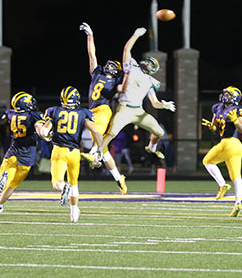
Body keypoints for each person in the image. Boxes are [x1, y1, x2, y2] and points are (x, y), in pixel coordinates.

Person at [100, 27, 176, 169]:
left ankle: (152, 147)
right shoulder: (132, 66)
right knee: (111, 133)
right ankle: (97, 155)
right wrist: (135, 35)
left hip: (139, 112)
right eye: (147, 62)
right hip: (125, 109)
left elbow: (154, 103)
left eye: (150, 65)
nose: (147, 64)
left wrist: (163, 105)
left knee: (159, 132)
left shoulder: (150, 82)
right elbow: (126, 49)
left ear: (153, 70)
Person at [39, 86, 104, 223]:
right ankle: (74, 213)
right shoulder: (82, 113)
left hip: (59, 150)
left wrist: (47, 136)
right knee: (74, 183)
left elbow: (44, 131)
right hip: (74, 152)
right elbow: (96, 132)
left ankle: (63, 187)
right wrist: (99, 149)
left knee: (56, 181)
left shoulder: (54, 111)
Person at [79, 21, 128, 193]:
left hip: (103, 110)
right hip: (91, 111)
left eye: (114, 66)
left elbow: (123, 89)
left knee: (97, 133)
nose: (109, 66)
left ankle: (93, 154)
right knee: (105, 150)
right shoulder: (97, 73)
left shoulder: (116, 81)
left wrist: (129, 73)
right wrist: (90, 35)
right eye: (110, 64)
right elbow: (92, 55)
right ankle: (118, 178)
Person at [0, 92, 46, 217]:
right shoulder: (34, 115)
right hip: (27, 154)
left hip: (14, 149)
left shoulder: (11, 113)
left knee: (7, 171)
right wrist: (45, 135)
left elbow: (5, 116)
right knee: (13, 185)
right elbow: (39, 130)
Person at [201, 86, 242, 217]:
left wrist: (236, 121)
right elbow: (215, 126)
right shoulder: (217, 107)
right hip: (236, 146)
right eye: (225, 93)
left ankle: (222, 185)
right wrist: (212, 126)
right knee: (236, 176)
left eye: (228, 94)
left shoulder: (237, 109)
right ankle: (238, 203)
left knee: (207, 161)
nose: (225, 96)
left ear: (235, 97)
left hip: (230, 142)